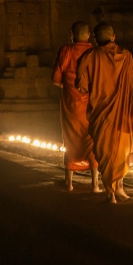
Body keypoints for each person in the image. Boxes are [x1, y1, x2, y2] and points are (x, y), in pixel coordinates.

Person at [76, 22, 133, 204]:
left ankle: (113, 190)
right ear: (113, 37)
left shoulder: (90, 56)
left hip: (101, 114)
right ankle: (116, 188)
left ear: (95, 39)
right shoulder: (125, 56)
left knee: (106, 152)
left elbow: (81, 85)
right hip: (122, 115)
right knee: (122, 150)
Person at [52, 21, 101, 193]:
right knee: (91, 139)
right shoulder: (94, 53)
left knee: (70, 139)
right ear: (88, 36)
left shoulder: (67, 51)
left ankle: (69, 183)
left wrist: (68, 88)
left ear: (72, 35)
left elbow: (56, 78)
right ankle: (95, 184)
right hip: (90, 104)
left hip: (71, 104)